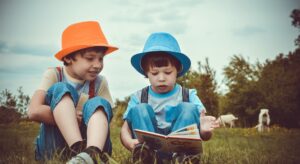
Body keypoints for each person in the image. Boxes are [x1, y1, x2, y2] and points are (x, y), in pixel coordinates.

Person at [120, 32, 219, 163]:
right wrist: (129, 142)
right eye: (154, 73)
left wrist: (205, 131)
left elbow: (204, 133)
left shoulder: (188, 95)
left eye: (168, 72)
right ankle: (146, 155)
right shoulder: (139, 97)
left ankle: (182, 157)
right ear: (146, 72)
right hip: (150, 150)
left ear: (177, 70)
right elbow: (125, 129)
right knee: (140, 109)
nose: (161, 78)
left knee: (188, 108)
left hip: (183, 150)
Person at [28, 21, 118, 164]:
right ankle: (78, 149)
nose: (98, 65)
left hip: (92, 142)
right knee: (61, 89)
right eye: (90, 58)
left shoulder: (100, 82)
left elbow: (105, 118)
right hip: (54, 147)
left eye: (101, 59)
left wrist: (86, 118)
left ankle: (91, 154)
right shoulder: (54, 74)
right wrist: (70, 116)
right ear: (68, 57)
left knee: (99, 103)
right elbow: (33, 111)